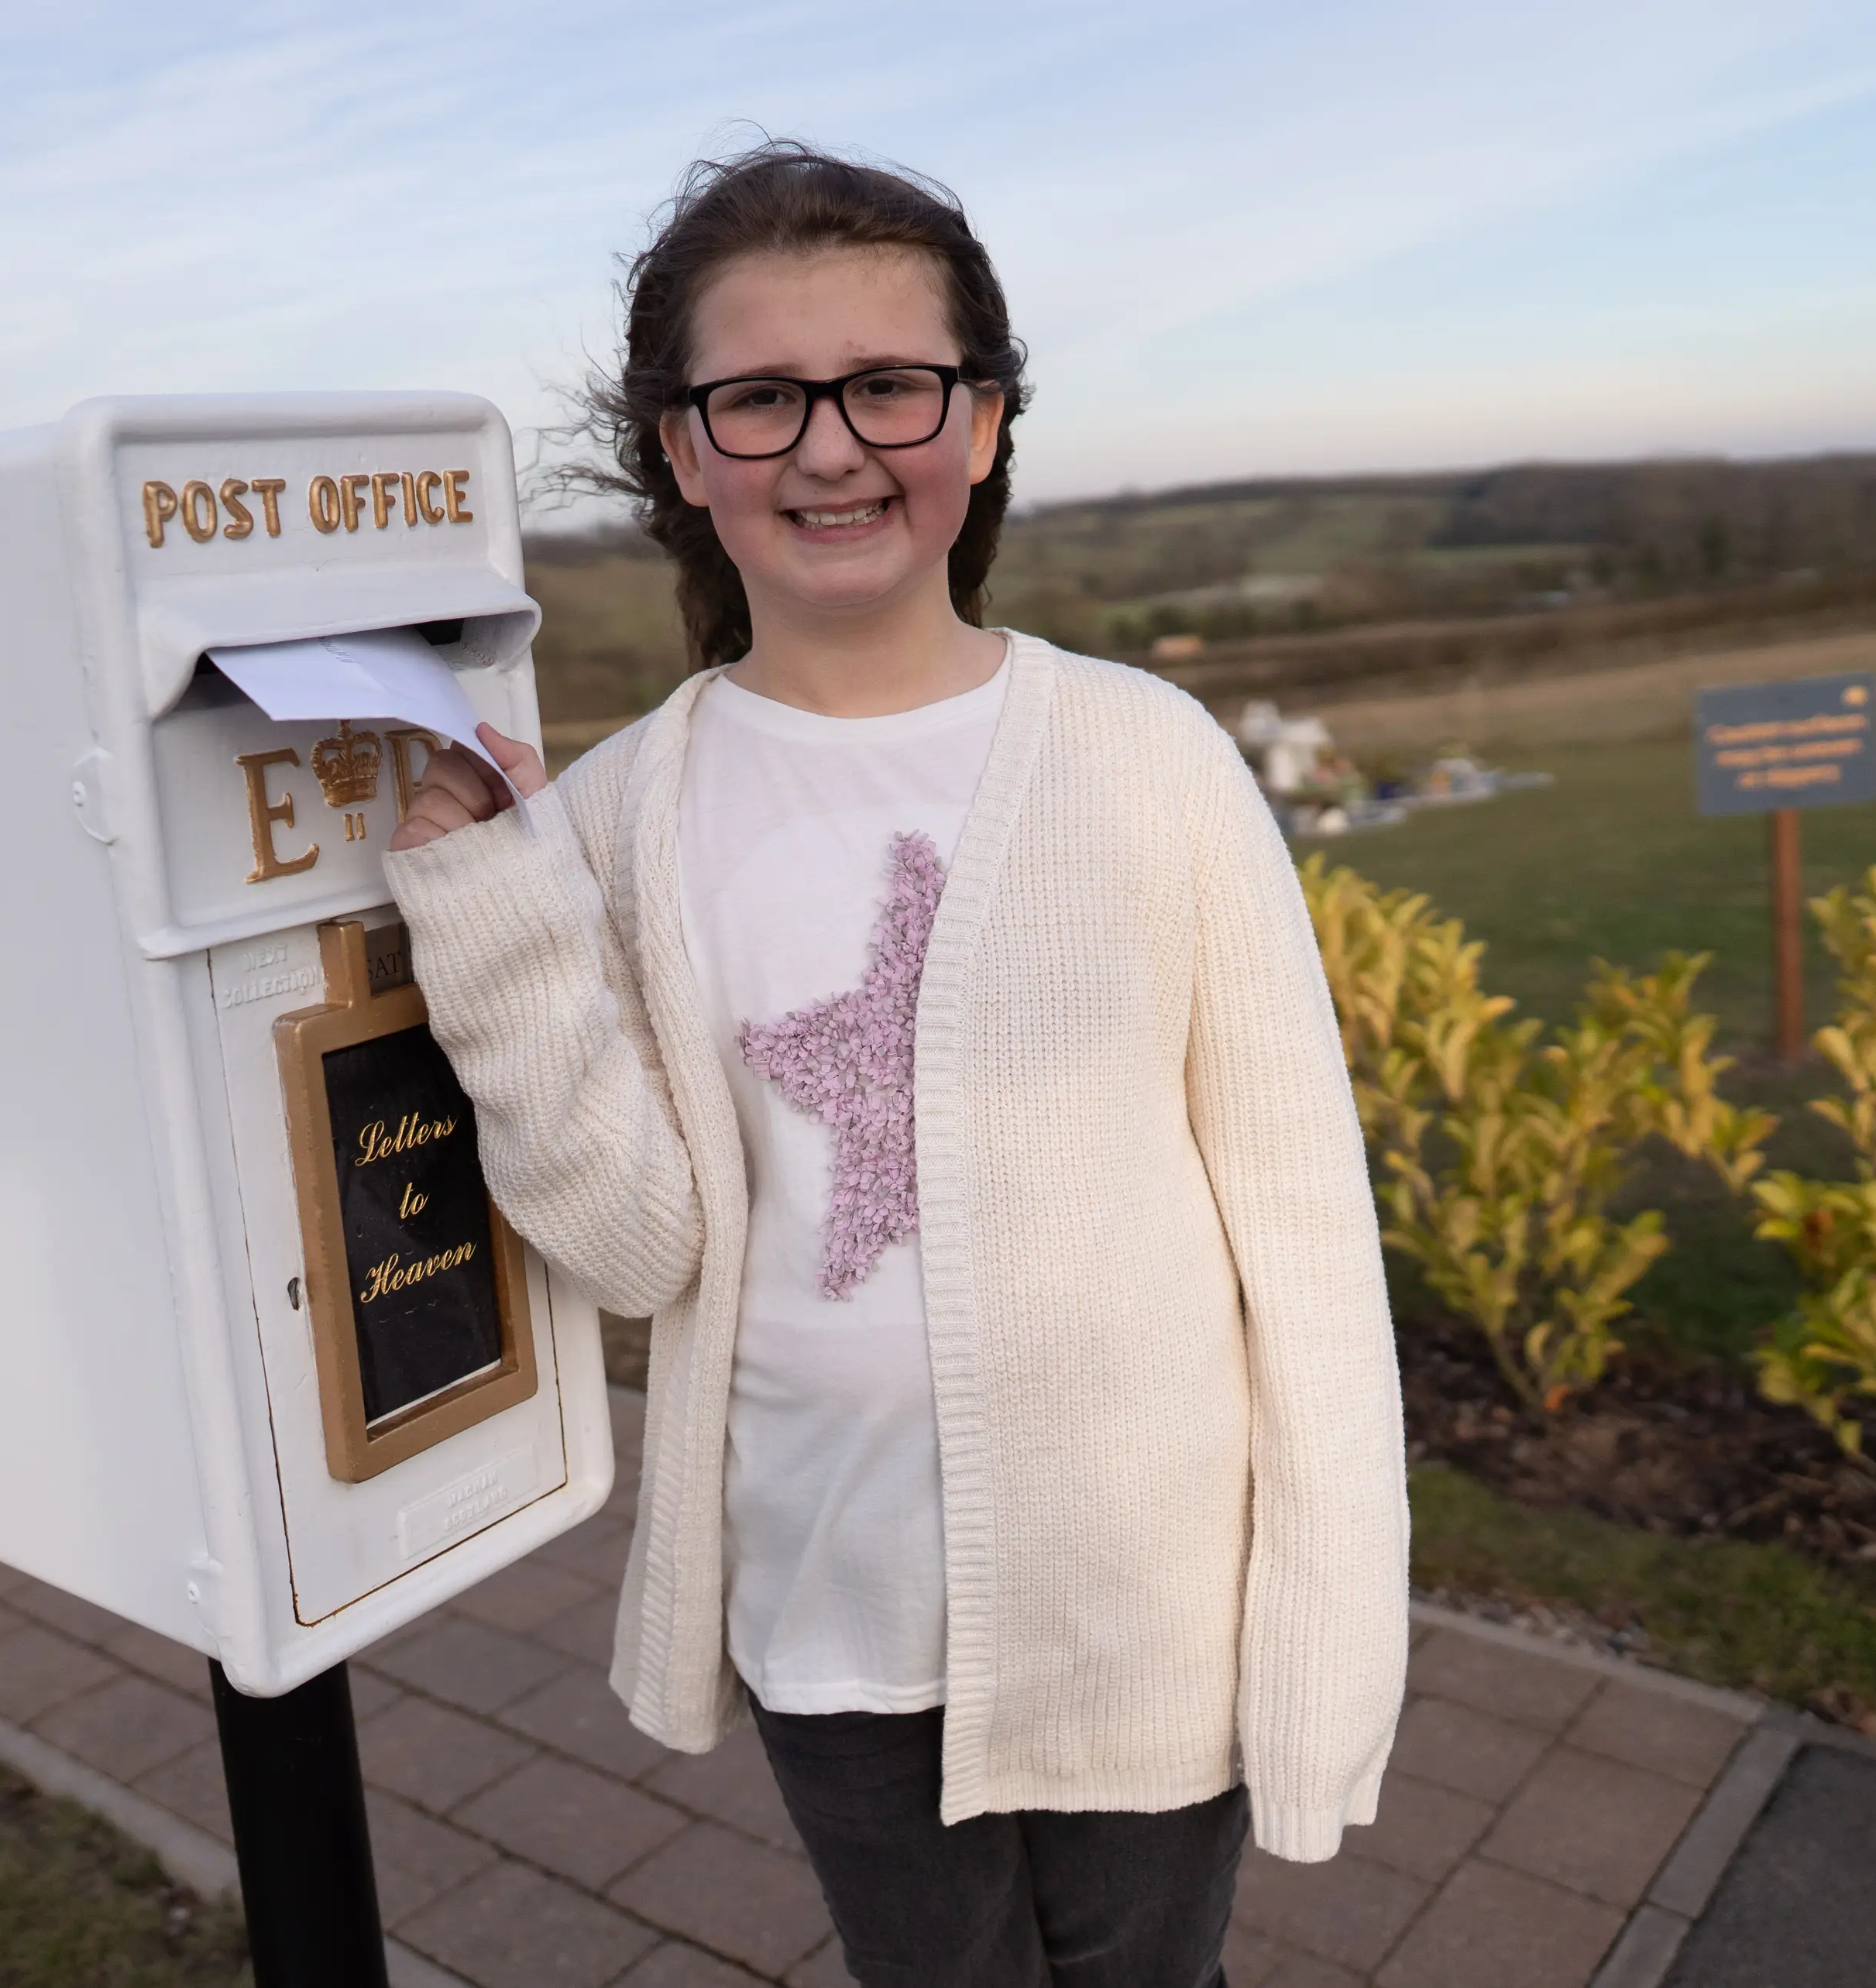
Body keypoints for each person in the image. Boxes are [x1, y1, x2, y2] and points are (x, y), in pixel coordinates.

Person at [385, 142, 1408, 1987]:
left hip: (1147, 1599)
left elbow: (1309, 1246)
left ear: (988, 421)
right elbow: (635, 1252)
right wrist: (493, 912)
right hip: (824, 1602)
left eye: (890, 385)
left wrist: (1329, 1647)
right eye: (762, 397)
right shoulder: (616, 819)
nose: (832, 447)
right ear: (683, 453)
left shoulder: (1148, 759)